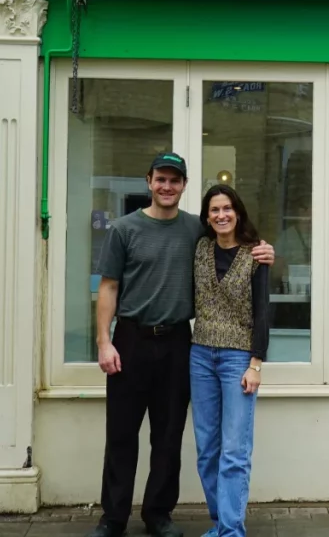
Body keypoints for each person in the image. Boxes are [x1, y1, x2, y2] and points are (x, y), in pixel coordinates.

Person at [89, 153, 274, 537]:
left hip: (177, 342)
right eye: (161, 179)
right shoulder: (124, 229)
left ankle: (158, 514)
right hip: (130, 340)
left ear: (184, 185)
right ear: (149, 181)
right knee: (121, 433)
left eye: (175, 180)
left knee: (169, 435)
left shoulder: (196, 229)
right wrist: (104, 341)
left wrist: (265, 252)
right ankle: (113, 518)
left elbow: (234, 244)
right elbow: (108, 287)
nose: (167, 187)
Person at [190, 185, 271, 537]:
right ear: (207, 217)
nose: (221, 215)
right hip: (200, 356)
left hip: (238, 358)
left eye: (227, 208)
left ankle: (231, 531)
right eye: (214, 210)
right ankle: (221, 522)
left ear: (237, 212)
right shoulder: (200, 248)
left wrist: (256, 364)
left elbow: (263, 312)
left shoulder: (256, 254)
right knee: (207, 449)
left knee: (235, 450)